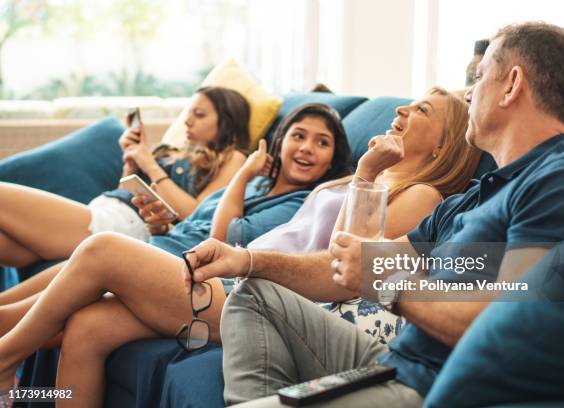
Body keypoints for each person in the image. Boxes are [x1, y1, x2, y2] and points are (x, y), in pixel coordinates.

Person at [172, 22, 564, 407]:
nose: (469, 93)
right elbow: (349, 268)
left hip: (438, 386)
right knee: (255, 291)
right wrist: (247, 260)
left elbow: (510, 323)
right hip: (397, 362)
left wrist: (389, 280)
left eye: (479, 79)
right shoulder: (474, 197)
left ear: (512, 84)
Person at [0, 102, 354, 408]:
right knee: (52, 319)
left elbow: (218, 242)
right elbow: (194, 224)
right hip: (159, 251)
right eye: (299, 136)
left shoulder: (297, 205)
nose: (307, 148)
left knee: (94, 253)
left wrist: (242, 175)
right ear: (279, 143)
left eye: (321, 143)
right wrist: (161, 226)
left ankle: (5, 360)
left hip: (193, 273)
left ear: (332, 161)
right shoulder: (259, 186)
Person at [0, 86, 250, 269]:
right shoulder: (174, 151)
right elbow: (127, 192)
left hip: (130, 227)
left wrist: (149, 163)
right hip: (109, 210)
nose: (187, 120)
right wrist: (131, 166)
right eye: (188, 112)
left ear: (227, 123)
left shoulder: (234, 158)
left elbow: (198, 213)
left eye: (200, 114)